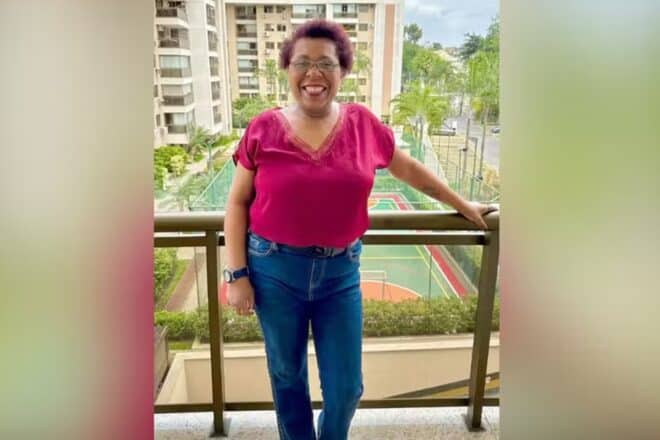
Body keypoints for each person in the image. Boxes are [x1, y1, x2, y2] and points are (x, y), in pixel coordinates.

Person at [224, 19, 496, 440]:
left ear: (344, 71)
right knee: (286, 375)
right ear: (287, 69)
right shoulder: (263, 128)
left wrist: (461, 204)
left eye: (326, 63)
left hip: (340, 275)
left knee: (347, 388)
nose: (314, 73)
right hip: (273, 270)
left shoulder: (363, 124)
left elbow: (410, 170)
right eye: (302, 62)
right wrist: (237, 274)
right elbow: (237, 202)